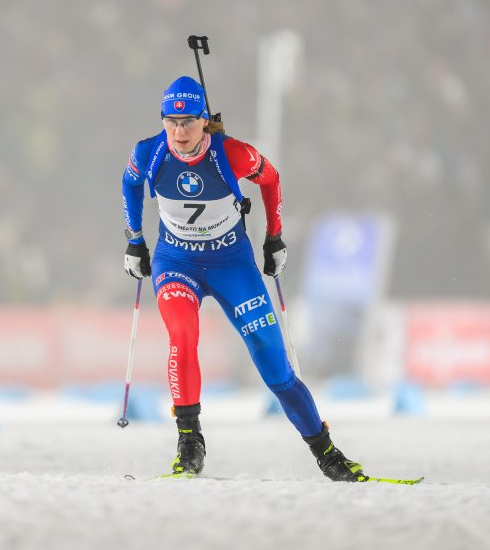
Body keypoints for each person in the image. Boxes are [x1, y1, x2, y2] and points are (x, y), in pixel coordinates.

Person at [120, 75, 363, 481]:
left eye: (188, 122)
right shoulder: (149, 152)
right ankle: (189, 442)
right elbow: (129, 184)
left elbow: (271, 179)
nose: (179, 133)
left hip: (231, 265)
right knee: (182, 334)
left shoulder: (233, 154)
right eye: (171, 122)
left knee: (274, 366)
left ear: (204, 121)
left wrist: (274, 237)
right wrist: (134, 240)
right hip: (176, 262)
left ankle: (327, 453)